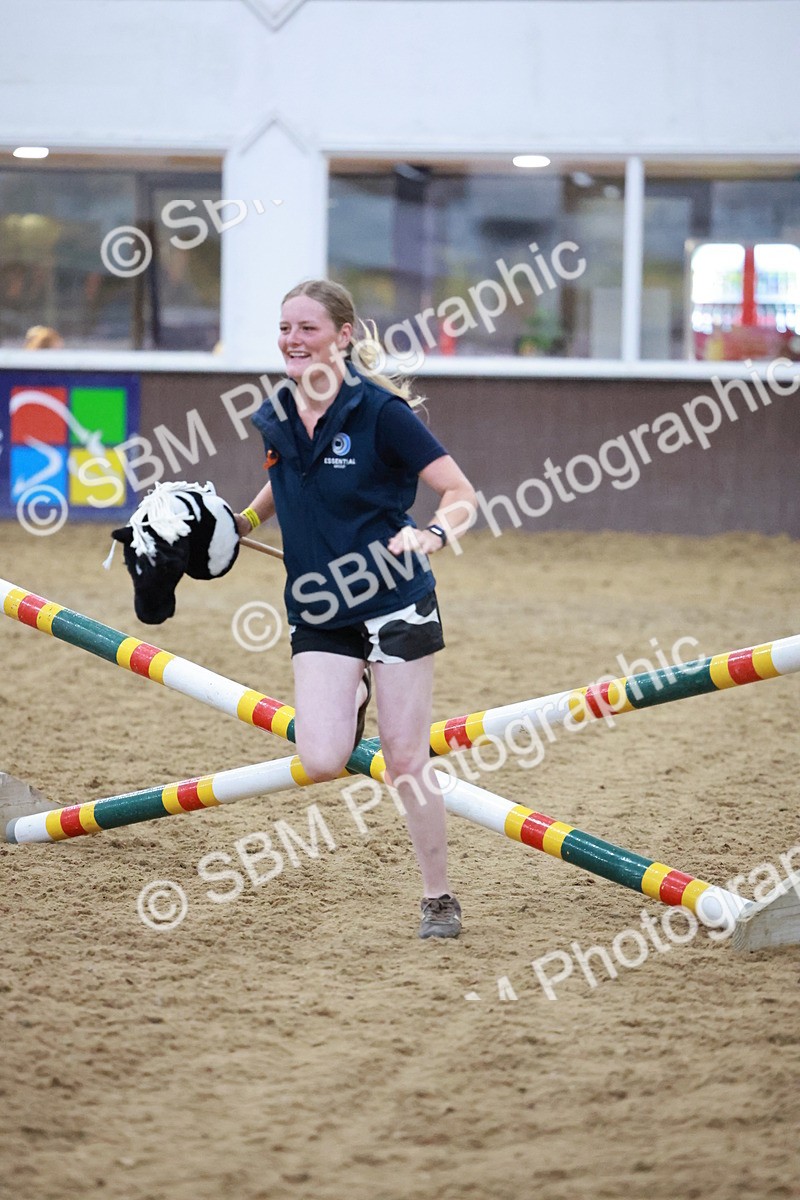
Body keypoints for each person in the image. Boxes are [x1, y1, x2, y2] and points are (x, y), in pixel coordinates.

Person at [235, 279, 477, 939]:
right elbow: (286, 472)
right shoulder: (279, 412)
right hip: (320, 606)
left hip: (396, 600)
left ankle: (438, 899)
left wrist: (434, 533)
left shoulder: (382, 414)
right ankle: (354, 694)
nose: (291, 339)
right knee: (320, 756)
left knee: (404, 758)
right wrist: (241, 519)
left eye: (306, 328)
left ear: (343, 335)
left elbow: (459, 492)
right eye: (285, 327)